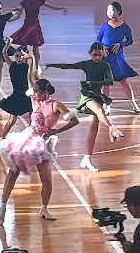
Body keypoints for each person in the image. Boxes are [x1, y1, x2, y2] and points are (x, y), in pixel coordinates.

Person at [0, 76, 79, 225]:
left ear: (45, 92)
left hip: (43, 143)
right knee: (13, 171)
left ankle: (44, 209)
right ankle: (2, 208)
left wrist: (57, 131)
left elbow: (74, 120)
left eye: (36, 92)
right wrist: (31, 63)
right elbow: (30, 76)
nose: (34, 94)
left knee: (47, 180)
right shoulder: (35, 101)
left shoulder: (55, 104)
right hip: (27, 139)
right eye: (33, 92)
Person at [47, 44, 126, 172]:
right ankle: (112, 128)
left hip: (97, 95)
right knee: (100, 110)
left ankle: (86, 158)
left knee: (93, 130)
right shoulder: (86, 64)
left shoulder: (105, 65)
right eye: (95, 55)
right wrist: (51, 65)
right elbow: (69, 66)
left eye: (100, 55)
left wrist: (92, 83)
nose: (97, 57)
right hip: (87, 96)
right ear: (90, 53)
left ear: (102, 54)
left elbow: (110, 81)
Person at [8, 0, 67, 68]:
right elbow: (18, 14)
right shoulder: (24, 2)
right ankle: (24, 64)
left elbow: (52, 7)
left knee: (35, 47)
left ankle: (36, 66)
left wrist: (62, 8)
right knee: (24, 45)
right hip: (27, 24)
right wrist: (8, 19)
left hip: (35, 25)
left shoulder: (40, 1)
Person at [96, 1, 140, 113]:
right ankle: (106, 105)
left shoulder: (124, 27)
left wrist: (121, 44)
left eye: (112, 10)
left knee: (124, 81)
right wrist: (102, 47)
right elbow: (98, 39)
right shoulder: (105, 26)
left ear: (118, 11)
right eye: (108, 11)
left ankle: (133, 103)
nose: (110, 13)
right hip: (106, 57)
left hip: (118, 57)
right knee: (106, 83)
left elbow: (130, 40)